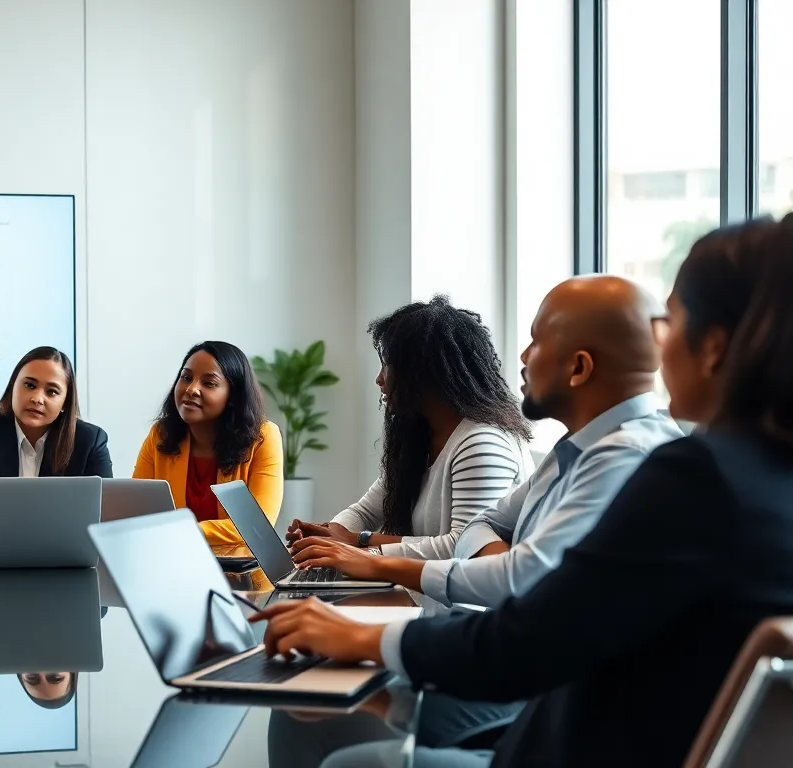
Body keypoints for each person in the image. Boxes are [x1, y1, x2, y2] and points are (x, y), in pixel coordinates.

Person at [252, 215, 793, 768]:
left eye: (671, 322)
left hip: (565, 741)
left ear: (715, 348)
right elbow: (535, 590)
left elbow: (534, 631)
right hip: (575, 725)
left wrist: (362, 638)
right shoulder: (757, 479)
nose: (656, 349)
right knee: (327, 715)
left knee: (348, 757)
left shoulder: (692, 475)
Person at [291, 276, 684, 609]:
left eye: (537, 342)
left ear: (579, 367)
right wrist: (334, 538)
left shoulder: (623, 455)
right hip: (464, 621)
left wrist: (368, 554)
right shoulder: (574, 447)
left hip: (483, 634)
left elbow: (512, 577)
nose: (524, 357)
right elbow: (484, 527)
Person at [288, 297, 533, 560]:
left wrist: (359, 544)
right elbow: (365, 511)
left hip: (460, 601)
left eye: (387, 365)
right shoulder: (419, 435)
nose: (379, 379)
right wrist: (329, 534)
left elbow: (464, 547)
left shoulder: (483, 443)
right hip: (422, 595)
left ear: (423, 373)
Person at [0, 346, 112, 529]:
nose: (37, 398)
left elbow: (106, 515)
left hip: (62, 554)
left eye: (51, 391)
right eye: (30, 385)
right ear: (13, 387)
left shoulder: (90, 441)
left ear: (65, 403)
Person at [133, 341, 283, 546]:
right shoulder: (160, 435)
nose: (192, 389)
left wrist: (176, 529)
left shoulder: (263, 437)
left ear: (233, 396)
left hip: (239, 573)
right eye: (186, 378)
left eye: (209, 383)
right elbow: (136, 513)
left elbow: (257, 526)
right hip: (171, 562)